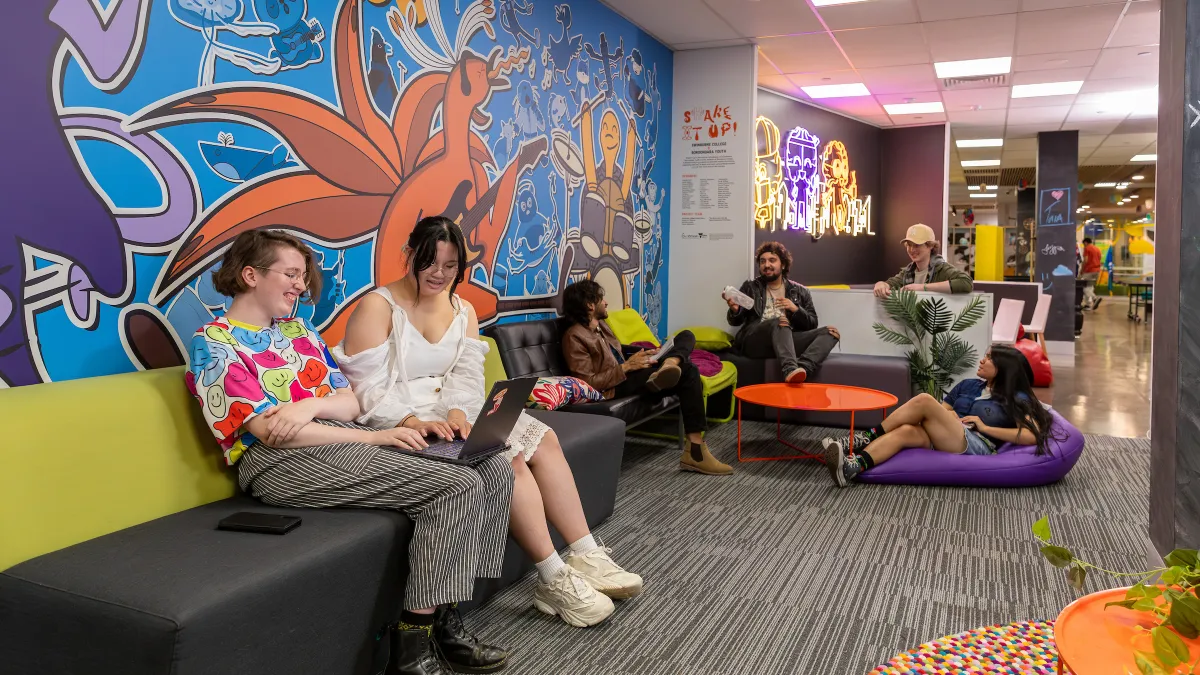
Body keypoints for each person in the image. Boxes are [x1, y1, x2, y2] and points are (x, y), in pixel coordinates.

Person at [184, 229, 510, 675]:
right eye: (291, 274)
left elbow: (349, 402)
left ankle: (444, 618)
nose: (301, 285)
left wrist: (308, 405)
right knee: (456, 486)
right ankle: (412, 648)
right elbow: (270, 433)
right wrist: (374, 436)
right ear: (250, 275)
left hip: (334, 437)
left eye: (303, 275)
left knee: (491, 464)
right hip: (278, 463)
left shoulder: (298, 332)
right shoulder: (215, 342)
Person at [335, 217, 642, 631]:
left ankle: (586, 554)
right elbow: (364, 387)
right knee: (508, 458)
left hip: (450, 417)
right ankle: (552, 577)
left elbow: (465, 377)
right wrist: (412, 418)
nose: (439, 275)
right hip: (394, 421)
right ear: (408, 256)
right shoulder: (378, 304)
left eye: (450, 266)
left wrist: (461, 414)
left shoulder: (461, 309)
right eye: (430, 263)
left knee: (544, 438)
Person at [561, 279, 733, 476]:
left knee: (686, 335)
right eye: (602, 298)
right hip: (613, 387)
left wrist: (653, 353)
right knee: (689, 371)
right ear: (590, 304)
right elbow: (587, 383)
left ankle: (669, 364)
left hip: (627, 373)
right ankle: (695, 452)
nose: (606, 302)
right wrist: (626, 366)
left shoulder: (601, 326)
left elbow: (617, 351)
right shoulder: (574, 337)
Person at [821, 345, 1056, 487]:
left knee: (924, 399)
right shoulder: (969, 385)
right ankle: (851, 467)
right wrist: (949, 415)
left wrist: (984, 427)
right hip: (949, 434)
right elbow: (941, 411)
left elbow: (1030, 436)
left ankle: (863, 439)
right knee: (905, 432)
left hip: (977, 444)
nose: (982, 360)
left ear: (1005, 368)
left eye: (990, 358)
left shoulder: (1016, 397)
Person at [725, 241, 840, 385]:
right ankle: (790, 369)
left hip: (786, 342)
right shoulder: (750, 287)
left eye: (772, 260)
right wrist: (735, 310)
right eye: (762, 261)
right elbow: (736, 321)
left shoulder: (800, 291)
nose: (767, 265)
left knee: (831, 332)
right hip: (756, 342)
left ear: (783, 264)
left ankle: (802, 368)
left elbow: (812, 324)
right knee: (779, 321)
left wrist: (796, 310)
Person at [873, 223, 974, 298]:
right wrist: (881, 284)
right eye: (909, 245)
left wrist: (923, 287)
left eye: (917, 245)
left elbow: (966, 283)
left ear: (930, 246)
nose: (912, 250)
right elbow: (891, 283)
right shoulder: (908, 272)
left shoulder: (942, 268)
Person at [1081, 237, 1103, 310]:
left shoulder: (1087, 248)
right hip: (1097, 270)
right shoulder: (1097, 249)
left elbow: (1086, 260)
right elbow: (1100, 259)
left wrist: (1082, 270)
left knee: (1084, 287)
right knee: (1090, 287)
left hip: (1089, 270)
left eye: (1084, 244)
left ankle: (1094, 298)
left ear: (1086, 243)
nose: (1084, 246)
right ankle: (1087, 305)